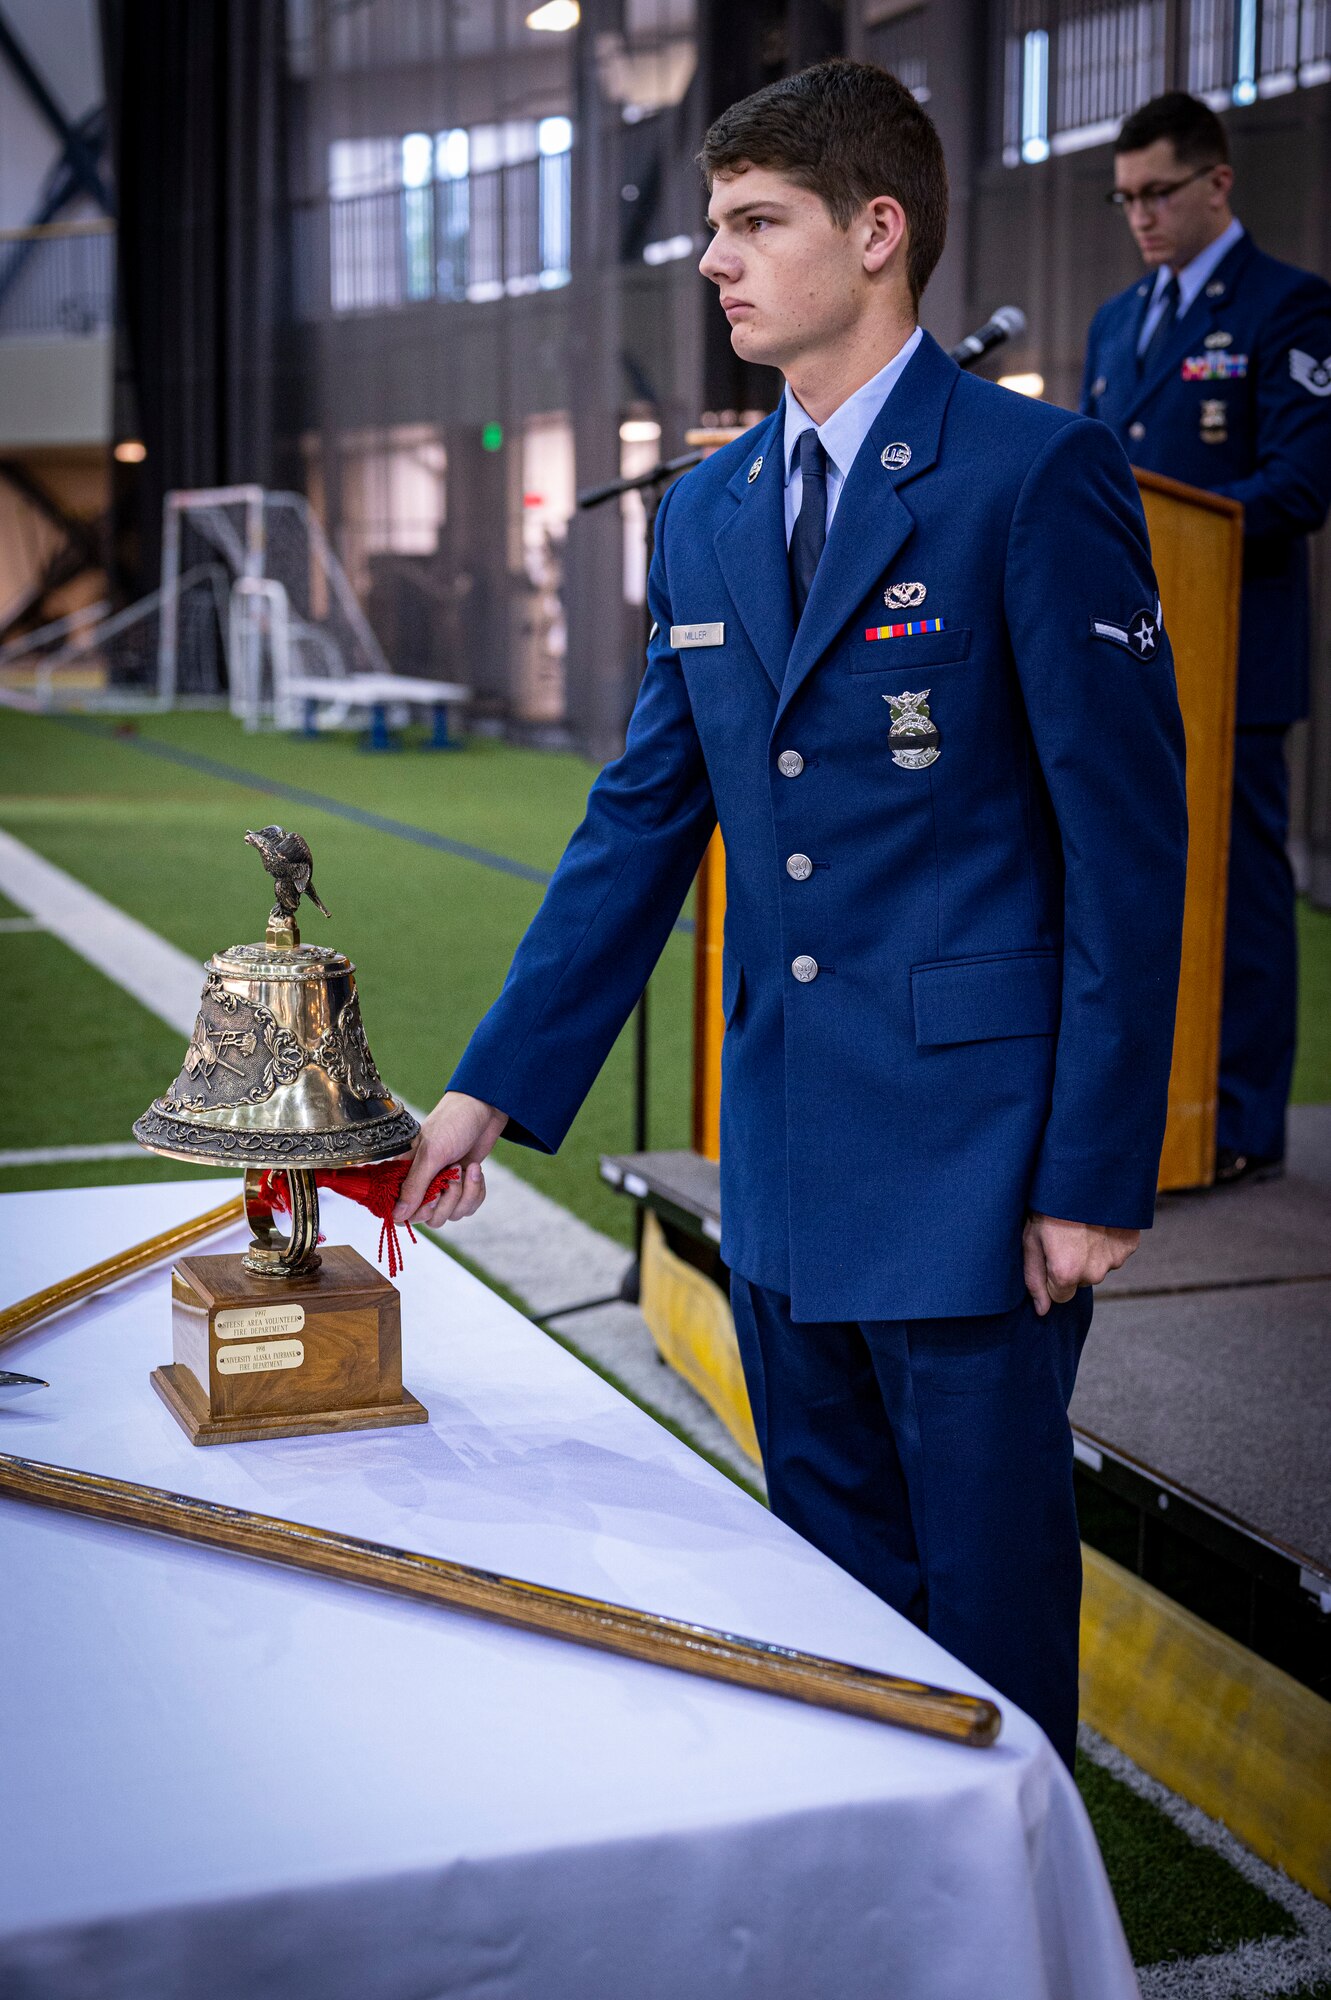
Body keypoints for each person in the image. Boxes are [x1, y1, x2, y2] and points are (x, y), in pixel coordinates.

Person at [396, 59, 1188, 1772]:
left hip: (978, 1165)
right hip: (786, 1157)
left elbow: (1129, 853)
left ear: (878, 231)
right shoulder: (708, 511)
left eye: (757, 223)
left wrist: (1090, 1175)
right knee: (834, 1625)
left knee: (980, 1643)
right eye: (713, 226)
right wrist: (487, 1087)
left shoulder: (1028, 477)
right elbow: (640, 824)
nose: (716, 262)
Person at [1082, 91, 1331, 1185]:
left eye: (1157, 193)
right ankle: (1158, 1111)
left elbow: (1299, 484)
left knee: (1237, 896)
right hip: (1124, 654)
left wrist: (1162, 524)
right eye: (1124, 196)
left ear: (1215, 184)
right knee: (1127, 878)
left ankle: (1238, 1123)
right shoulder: (1111, 322)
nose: (1138, 214)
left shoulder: (1288, 309)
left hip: (1232, 657)